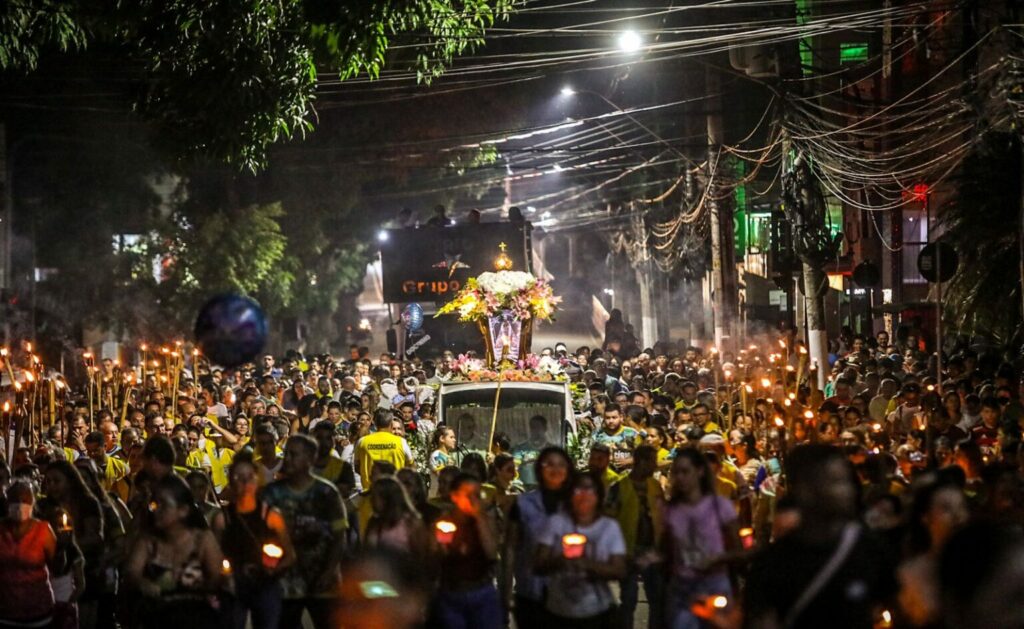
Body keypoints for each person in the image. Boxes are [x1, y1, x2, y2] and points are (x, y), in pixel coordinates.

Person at [744, 444, 896, 629]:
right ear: (805, 489)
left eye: (846, 481)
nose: (846, 490)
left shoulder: (869, 548)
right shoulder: (774, 563)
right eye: (835, 482)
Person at [261, 435, 347, 629]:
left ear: (310, 459)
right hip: (286, 582)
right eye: (287, 454)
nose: (288, 459)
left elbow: (339, 536)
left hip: (322, 581)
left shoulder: (327, 493)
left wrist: (330, 569)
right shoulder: (271, 493)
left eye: (294, 454)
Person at [124, 475, 225, 629]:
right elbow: (132, 572)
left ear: (183, 510)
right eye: (155, 505)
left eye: (164, 505)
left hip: (195, 619)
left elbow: (217, 578)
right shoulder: (148, 542)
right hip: (157, 619)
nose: (157, 510)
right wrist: (143, 583)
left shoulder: (202, 540)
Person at [534, 471, 627, 627]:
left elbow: (619, 570)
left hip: (597, 613)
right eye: (578, 489)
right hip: (558, 612)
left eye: (589, 489)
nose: (584, 495)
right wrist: (560, 561)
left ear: (599, 495)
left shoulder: (609, 527)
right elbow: (538, 564)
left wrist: (588, 564)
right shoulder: (557, 523)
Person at [661, 447, 738, 629]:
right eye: (676, 472)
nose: (680, 477)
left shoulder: (721, 507)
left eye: (686, 472)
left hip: (714, 585)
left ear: (700, 472)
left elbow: (740, 550)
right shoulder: (671, 511)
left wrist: (718, 558)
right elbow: (666, 551)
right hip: (683, 588)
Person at [221, 453, 295, 629]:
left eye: (250, 477)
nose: (245, 483)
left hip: (265, 585)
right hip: (234, 587)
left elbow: (290, 555)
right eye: (239, 478)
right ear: (231, 482)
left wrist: (273, 569)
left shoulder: (271, 515)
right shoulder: (223, 518)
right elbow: (215, 555)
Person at [504, 446, 572, 627]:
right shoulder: (523, 504)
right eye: (549, 464)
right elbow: (510, 547)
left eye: (561, 465)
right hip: (530, 592)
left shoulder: (578, 505)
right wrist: (507, 589)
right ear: (539, 469)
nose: (555, 470)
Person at [897, 473, 969, 627]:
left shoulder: (985, 563)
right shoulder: (911, 574)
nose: (957, 516)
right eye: (946, 509)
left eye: (961, 507)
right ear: (925, 517)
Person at [432, 473, 501, 629]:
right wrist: (442, 544)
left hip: (482, 592)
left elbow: (491, 552)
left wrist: (479, 516)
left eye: (477, 494)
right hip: (452, 593)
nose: (473, 499)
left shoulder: (484, 520)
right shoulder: (444, 522)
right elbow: (435, 558)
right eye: (468, 495)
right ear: (455, 496)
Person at [608, 445, 665, 629]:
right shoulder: (618, 488)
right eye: (652, 462)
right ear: (641, 462)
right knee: (629, 599)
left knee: (657, 599)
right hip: (628, 551)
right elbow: (609, 522)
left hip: (652, 550)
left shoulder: (655, 487)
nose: (655, 466)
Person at [0, 481, 58, 628]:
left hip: (39, 614)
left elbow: (57, 566)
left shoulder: (43, 530)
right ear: (7, 501)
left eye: (25, 500)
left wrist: (65, 545)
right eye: (15, 499)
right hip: (5, 613)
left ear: (33, 502)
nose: (20, 504)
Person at [364, 476, 429, 563]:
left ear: (386, 498)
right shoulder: (374, 521)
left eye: (375, 497)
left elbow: (421, 553)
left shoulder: (410, 522)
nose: (371, 500)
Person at [355, 409, 412, 489]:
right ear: (390, 424)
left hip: (370, 493)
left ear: (375, 423)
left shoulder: (362, 442)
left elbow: (357, 466)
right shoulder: (401, 442)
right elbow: (411, 466)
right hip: (395, 492)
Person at [512, 415, 553, 489]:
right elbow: (514, 466)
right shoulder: (520, 448)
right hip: (524, 489)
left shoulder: (552, 450)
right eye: (532, 427)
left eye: (538, 427)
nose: (535, 430)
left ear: (545, 429)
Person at [429, 426, 457, 498]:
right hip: (438, 498)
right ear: (442, 439)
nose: (454, 440)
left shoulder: (450, 457)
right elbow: (442, 476)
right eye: (451, 437)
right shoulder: (437, 455)